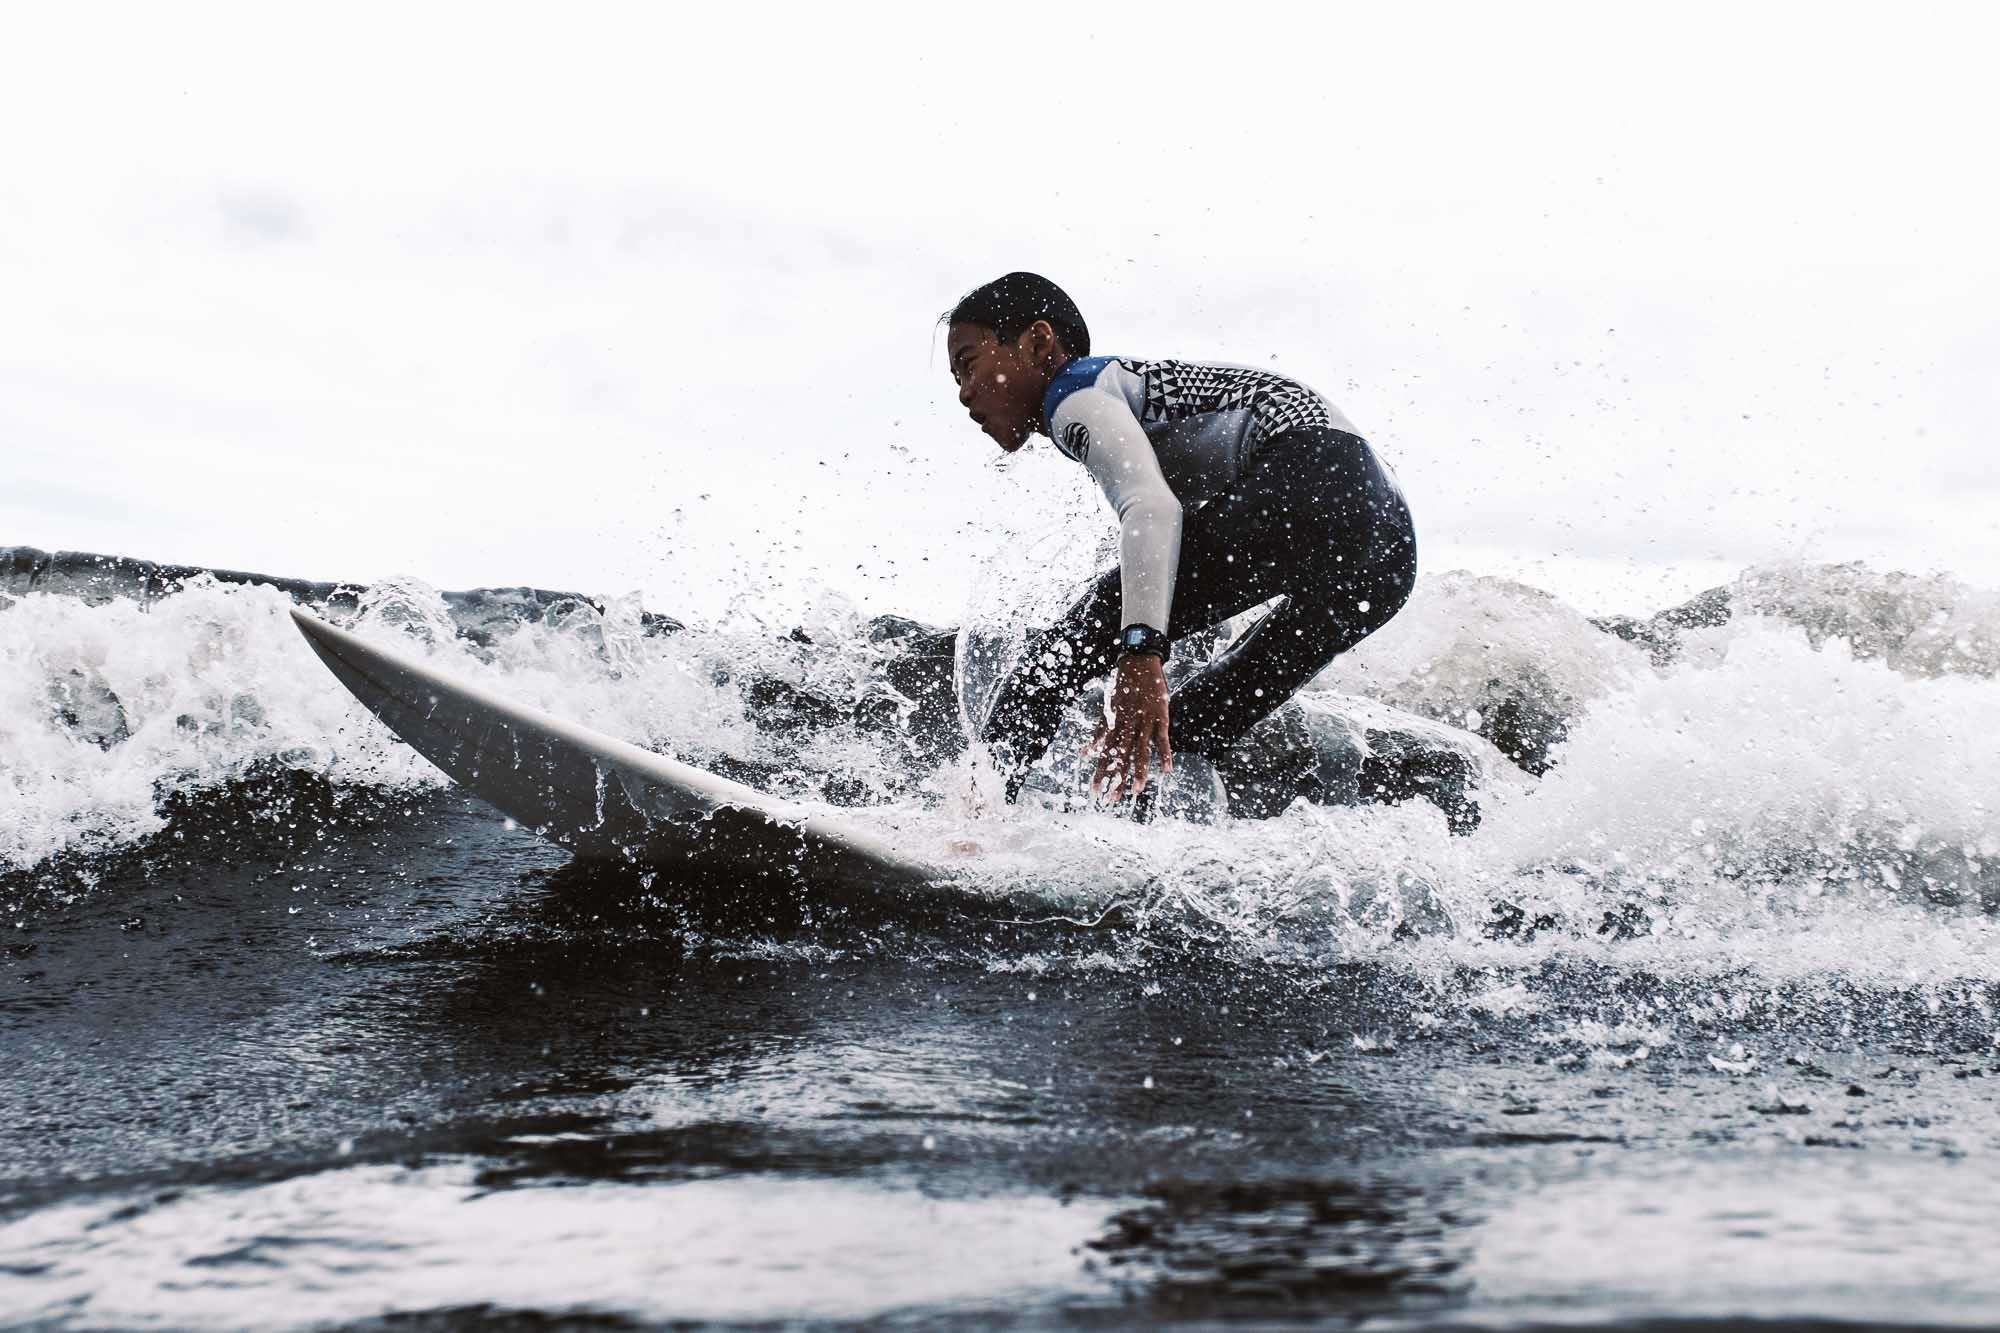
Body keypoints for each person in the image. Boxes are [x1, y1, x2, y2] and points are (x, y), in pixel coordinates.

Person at [943, 272, 1416, 809]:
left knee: (1053, 660)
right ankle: (1174, 866)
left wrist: (1141, 653)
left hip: (1311, 480)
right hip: (1388, 550)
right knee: (1191, 725)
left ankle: (969, 826)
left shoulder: (1075, 392)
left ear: (1037, 343)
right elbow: (1185, 541)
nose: (963, 393)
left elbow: (1151, 508)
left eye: (968, 363)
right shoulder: (1135, 400)